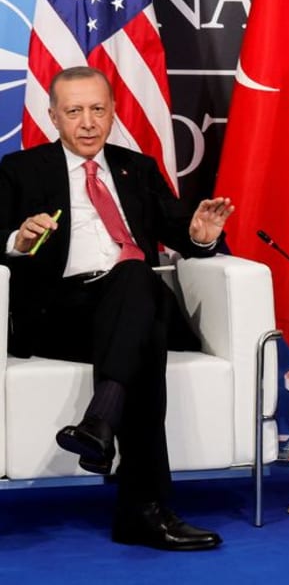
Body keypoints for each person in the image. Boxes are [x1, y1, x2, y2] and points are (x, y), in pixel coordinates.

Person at [0, 66, 235, 551]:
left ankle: (100, 421)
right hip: (60, 316)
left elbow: (182, 231)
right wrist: (18, 241)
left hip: (130, 301)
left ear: (112, 114)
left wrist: (200, 236)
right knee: (143, 336)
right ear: (53, 117)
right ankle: (142, 510)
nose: (87, 122)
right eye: (74, 111)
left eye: (97, 110)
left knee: (132, 276)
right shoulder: (20, 171)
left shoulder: (137, 168)